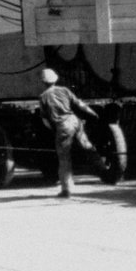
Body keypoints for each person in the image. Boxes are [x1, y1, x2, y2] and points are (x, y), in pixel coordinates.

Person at [37, 67, 100, 198]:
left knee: (64, 159)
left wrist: (55, 131)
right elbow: (80, 104)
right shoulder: (65, 90)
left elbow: (45, 120)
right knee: (87, 145)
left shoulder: (43, 97)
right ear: (55, 79)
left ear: (43, 82)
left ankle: (66, 190)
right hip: (75, 121)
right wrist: (93, 114)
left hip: (63, 126)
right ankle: (103, 168)